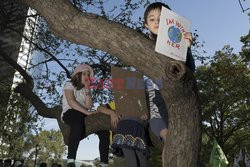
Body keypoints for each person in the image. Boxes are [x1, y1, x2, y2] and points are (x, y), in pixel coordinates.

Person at [143, 0, 196, 157]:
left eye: (161, 18)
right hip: (157, 92)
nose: (157, 22)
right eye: (152, 19)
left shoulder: (177, 41)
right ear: (146, 25)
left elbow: (190, 70)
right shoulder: (144, 43)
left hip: (178, 92)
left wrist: (187, 48)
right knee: (164, 128)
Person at [61, 64, 94, 167]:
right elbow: (71, 102)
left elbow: (88, 106)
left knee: (103, 129)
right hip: (70, 112)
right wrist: (88, 113)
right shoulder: (69, 84)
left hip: (83, 114)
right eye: (84, 74)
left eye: (88, 74)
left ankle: (104, 163)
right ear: (78, 75)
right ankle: (71, 159)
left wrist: (88, 89)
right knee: (77, 115)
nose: (86, 76)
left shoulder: (85, 90)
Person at [106, 99, 149, 167]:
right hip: (125, 129)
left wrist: (145, 119)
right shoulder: (119, 102)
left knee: (143, 161)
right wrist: (112, 113)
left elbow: (145, 121)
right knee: (132, 160)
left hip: (138, 130)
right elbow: (99, 108)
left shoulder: (141, 102)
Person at [96, 101, 119, 167]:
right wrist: (112, 113)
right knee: (103, 132)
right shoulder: (115, 103)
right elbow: (99, 108)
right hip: (115, 145)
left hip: (129, 142)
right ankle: (104, 162)